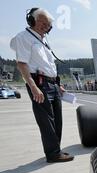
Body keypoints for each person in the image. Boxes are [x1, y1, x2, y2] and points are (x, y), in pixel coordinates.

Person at [10, 8, 74, 163]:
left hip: (51, 83)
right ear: (32, 20)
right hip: (38, 84)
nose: (45, 28)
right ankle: (52, 154)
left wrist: (57, 85)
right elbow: (22, 64)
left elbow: (48, 65)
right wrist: (33, 87)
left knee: (57, 119)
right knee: (46, 121)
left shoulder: (43, 39)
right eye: (42, 24)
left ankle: (55, 149)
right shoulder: (23, 38)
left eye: (48, 26)